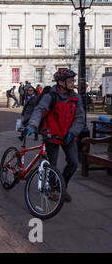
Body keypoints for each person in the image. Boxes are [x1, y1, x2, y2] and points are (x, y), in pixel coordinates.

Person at [26, 69, 86, 203]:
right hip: (52, 134)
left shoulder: (76, 98)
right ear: (60, 82)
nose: (72, 83)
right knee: (52, 165)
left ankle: (60, 187)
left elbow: (80, 117)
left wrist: (73, 131)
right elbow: (40, 109)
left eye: (73, 80)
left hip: (69, 135)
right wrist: (33, 124)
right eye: (70, 81)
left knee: (73, 162)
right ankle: (53, 190)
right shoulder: (51, 96)